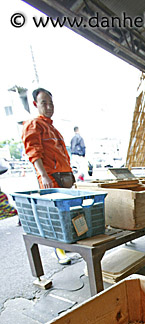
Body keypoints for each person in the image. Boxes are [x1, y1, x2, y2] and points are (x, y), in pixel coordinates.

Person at [22, 88, 74, 264]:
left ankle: (65, 245)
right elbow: (33, 152)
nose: (49, 106)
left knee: (67, 212)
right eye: (44, 102)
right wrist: (43, 176)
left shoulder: (52, 128)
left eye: (51, 103)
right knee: (55, 215)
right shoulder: (33, 124)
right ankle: (59, 251)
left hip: (64, 175)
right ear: (36, 104)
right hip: (51, 177)